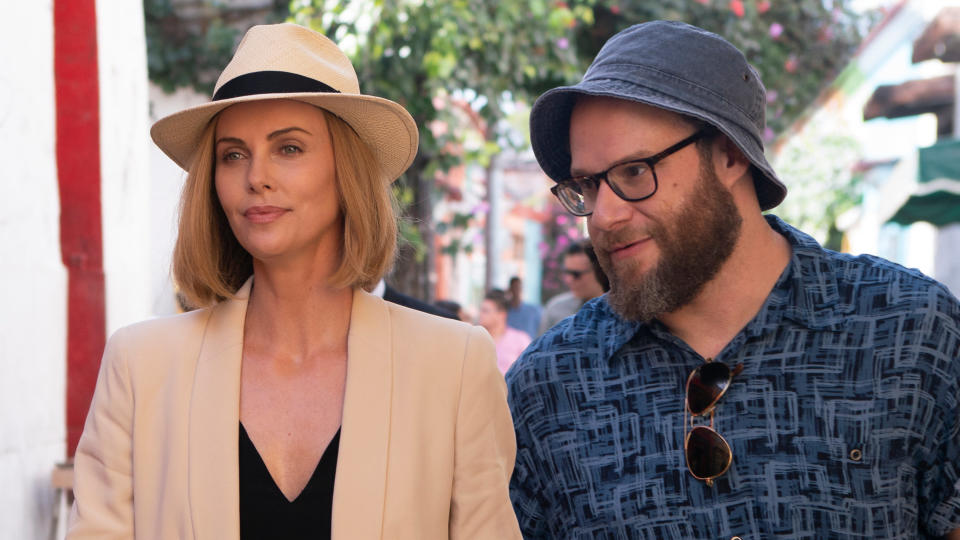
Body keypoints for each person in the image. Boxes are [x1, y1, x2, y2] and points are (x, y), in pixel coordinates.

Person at [506, 20, 960, 539]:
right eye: (585, 185)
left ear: (729, 154)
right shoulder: (549, 387)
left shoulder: (909, 330)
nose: (603, 217)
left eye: (634, 172)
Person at [68, 23, 521, 539]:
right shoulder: (141, 366)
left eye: (288, 148)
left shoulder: (453, 366)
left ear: (346, 169)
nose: (255, 175)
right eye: (232, 154)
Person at [538, 240, 606, 334]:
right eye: (567, 273)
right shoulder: (556, 309)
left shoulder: (620, 310)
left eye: (576, 274)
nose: (568, 280)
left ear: (599, 271)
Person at [477, 290, 532, 375]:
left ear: (502, 314)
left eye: (485, 311)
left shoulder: (520, 340)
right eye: (481, 310)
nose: (480, 314)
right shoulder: (475, 340)